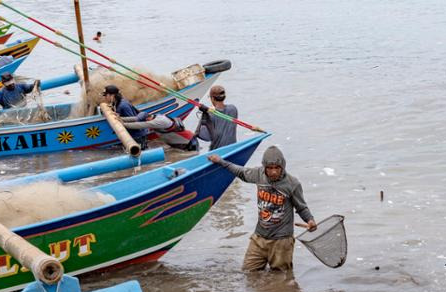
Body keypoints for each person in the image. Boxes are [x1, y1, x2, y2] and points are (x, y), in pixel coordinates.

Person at [208, 145, 317, 281]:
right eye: (269, 168)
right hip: (259, 237)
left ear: (283, 167)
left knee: (281, 279)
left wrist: (310, 220)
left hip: (281, 241)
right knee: (248, 273)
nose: (273, 172)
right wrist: (220, 161)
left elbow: (301, 207)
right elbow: (241, 172)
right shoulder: (259, 174)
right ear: (264, 167)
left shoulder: (292, 184)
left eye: (277, 168)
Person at [192, 85, 238, 151]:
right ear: (224, 97)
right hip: (233, 149)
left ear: (212, 98)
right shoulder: (233, 109)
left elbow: (202, 135)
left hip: (216, 152)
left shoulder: (210, 115)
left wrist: (204, 114)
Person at [102, 84, 148, 149]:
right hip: (132, 135)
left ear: (112, 96)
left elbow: (134, 121)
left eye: (106, 95)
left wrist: (121, 119)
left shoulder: (123, 105)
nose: (105, 97)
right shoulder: (116, 103)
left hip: (137, 136)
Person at [121, 111, 192, 149]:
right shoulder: (156, 116)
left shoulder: (156, 122)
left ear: (147, 119)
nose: (146, 122)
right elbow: (136, 118)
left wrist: (124, 124)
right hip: (178, 140)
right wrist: (121, 119)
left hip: (186, 140)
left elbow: (139, 125)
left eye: (145, 121)